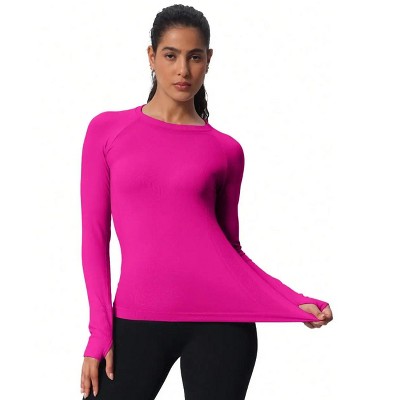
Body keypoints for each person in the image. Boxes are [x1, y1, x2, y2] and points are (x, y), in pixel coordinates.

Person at [79, 4, 333, 399]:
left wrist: (293, 301)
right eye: (171, 55)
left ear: (208, 60)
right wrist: (100, 331)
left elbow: (230, 251)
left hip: (222, 324)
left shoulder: (226, 150)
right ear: (151, 57)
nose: (183, 70)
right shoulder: (107, 130)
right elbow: (95, 238)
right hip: (136, 318)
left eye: (195, 57)